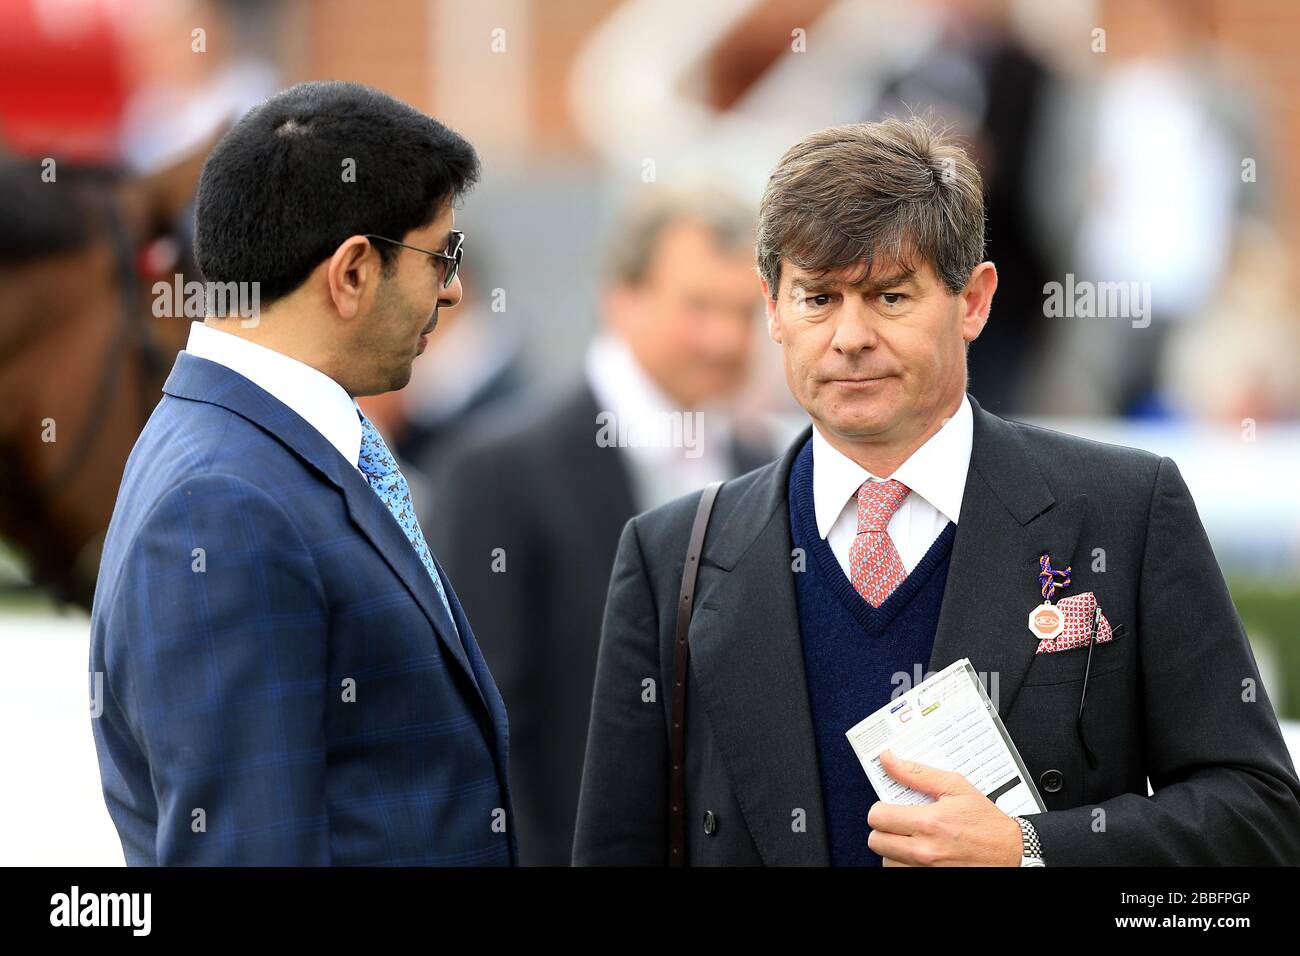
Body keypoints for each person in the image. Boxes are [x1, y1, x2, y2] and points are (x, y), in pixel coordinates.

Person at [573, 116, 1300, 866]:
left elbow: (1261, 815)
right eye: (817, 298)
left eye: (889, 297)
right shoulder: (673, 560)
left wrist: (1029, 851)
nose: (850, 336)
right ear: (772, 308)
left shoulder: (1125, 509)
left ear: (975, 301)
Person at [89, 81, 515, 866]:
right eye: (440, 256)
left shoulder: (260, 449)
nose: (453, 289)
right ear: (352, 272)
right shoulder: (222, 503)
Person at [428, 186, 771, 865]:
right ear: (622, 297)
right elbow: (472, 725)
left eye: (744, 313)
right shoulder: (499, 470)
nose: (727, 338)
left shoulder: (764, 470)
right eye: (699, 307)